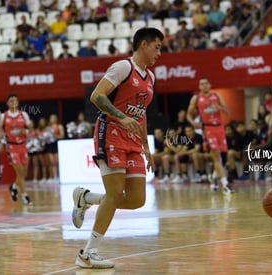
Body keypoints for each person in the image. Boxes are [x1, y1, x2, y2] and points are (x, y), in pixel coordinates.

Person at [71, 27, 164, 269]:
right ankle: (87, 253)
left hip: (133, 140)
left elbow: (141, 115)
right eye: (157, 47)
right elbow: (97, 96)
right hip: (110, 131)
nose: (159, 53)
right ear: (143, 45)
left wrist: (146, 146)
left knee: (136, 199)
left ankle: (86, 198)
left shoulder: (151, 78)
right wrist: (121, 117)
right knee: (114, 194)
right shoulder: (123, 67)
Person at [186, 77, 234, 194]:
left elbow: (227, 112)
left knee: (222, 158)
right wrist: (193, 123)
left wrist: (219, 107)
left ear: (210, 85)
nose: (204, 86)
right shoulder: (196, 98)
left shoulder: (216, 96)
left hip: (220, 127)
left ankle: (213, 177)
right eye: (201, 84)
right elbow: (188, 115)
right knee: (216, 157)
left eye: (206, 83)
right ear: (199, 87)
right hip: (207, 128)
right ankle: (225, 185)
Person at [1, 94, 31, 205]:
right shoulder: (3, 116)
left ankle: (14, 187)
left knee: (24, 173)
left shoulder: (23, 114)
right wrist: (1, 142)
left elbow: (29, 128)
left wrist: (26, 131)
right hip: (12, 146)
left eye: (15, 100)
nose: (13, 102)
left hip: (22, 145)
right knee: (19, 171)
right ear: (7, 103)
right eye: (11, 101)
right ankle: (24, 195)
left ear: (18, 102)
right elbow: (0, 131)